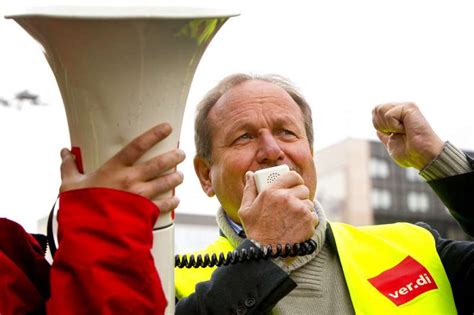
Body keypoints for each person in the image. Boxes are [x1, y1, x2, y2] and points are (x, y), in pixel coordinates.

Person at [175, 73, 474, 314]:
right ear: (205, 176)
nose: (273, 151)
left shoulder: (415, 247)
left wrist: (440, 161)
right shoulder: (172, 284)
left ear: (310, 153)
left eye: (287, 132)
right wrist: (263, 250)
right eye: (245, 136)